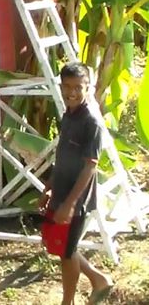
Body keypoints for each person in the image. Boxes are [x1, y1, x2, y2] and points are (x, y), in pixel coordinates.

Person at [39, 62, 114, 305]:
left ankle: (67, 302)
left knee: (67, 252)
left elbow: (89, 166)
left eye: (78, 87)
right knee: (61, 246)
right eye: (67, 86)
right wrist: (49, 185)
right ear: (61, 86)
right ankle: (98, 279)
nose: (72, 92)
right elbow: (63, 156)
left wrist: (70, 204)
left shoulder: (90, 122)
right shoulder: (68, 115)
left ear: (88, 88)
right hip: (61, 191)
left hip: (76, 199)